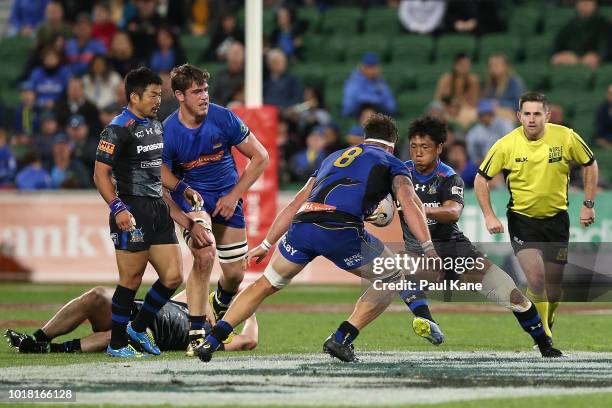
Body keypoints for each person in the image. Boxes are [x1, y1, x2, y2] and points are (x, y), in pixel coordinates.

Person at [196, 113, 437, 363]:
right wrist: (428, 247)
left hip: (303, 225)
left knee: (265, 284)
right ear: (393, 143)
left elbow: (296, 202)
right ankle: (343, 337)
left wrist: (267, 243)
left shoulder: (332, 158)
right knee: (392, 276)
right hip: (339, 228)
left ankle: (212, 340)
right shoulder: (392, 162)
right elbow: (409, 203)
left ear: (365, 139)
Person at [398, 116, 563, 357]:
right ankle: (426, 322)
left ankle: (545, 346)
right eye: (413, 146)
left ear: (439, 148)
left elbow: (453, 212)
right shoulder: (400, 175)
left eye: (425, 147)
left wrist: (419, 209)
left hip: (453, 250)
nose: (418, 153)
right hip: (419, 252)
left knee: (514, 296)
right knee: (394, 270)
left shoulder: (448, 176)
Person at [93, 67, 212, 358]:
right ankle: (117, 343)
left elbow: (157, 169)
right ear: (134, 96)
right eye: (153, 95)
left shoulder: (155, 125)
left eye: (160, 94)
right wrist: (117, 207)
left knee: (172, 276)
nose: (159, 100)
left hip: (158, 207)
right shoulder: (117, 128)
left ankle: (138, 327)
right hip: (132, 208)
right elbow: (100, 174)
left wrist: (181, 186)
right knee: (131, 280)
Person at [475, 92, 598, 345]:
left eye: (537, 114)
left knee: (554, 287)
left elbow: (591, 163)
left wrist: (588, 205)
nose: (531, 119)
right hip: (522, 221)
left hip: (557, 220)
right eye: (527, 114)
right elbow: (481, 179)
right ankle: (544, 337)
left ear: (547, 115)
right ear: (519, 116)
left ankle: (548, 319)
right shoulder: (505, 144)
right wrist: (489, 215)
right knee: (536, 279)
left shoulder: (566, 137)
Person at [161, 64, 269, 356]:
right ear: (180, 95)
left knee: (234, 275)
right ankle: (197, 331)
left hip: (227, 200)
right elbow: (160, 176)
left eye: (206, 90)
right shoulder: (169, 132)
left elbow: (261, 157)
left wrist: (234, 195)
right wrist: (183, 198)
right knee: (204, 253)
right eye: (197, 92)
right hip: (194, 202)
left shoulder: (223, 118)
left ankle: (217, 307)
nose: (204, 96)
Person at [5, 287, 258, 354]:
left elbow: (250, 341)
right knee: (96, 295)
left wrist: (250, 311)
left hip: (146, 333)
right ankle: (38, 338)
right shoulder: (194, 301)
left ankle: (53, 348)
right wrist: (212, 305)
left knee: (118, 335)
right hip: (136, 309)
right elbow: (196, 283)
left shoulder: (217, 338)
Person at [551, 0, 610, 70]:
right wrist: (563, 56)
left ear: (595, 4)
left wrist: (598, 57)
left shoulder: (605, 25)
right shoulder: (569, 25)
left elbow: (605, 48)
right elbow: (556, 48)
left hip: (596, 64)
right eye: (581, 3)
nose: (584, 6)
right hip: (571, 61)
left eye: (588, 3)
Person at [342, 53, 396, 118]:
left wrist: (378, 103)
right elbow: (350, 105)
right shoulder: (355, 80)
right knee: (368, 113)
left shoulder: (381, 82)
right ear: (363, 68)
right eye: (371, 67)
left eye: (376, 67)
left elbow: (391, 106)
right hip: (355, 115)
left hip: (378, 113)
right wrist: (376, 100)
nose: (374, 70)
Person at [434, 53, 479, 131]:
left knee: (472, 114)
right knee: (434, 108)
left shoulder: (473, 80)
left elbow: (473, 103)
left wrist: (458, 105)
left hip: (464, 109)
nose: (465, 67)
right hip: (446, 108)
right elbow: (438, 99)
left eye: (467, 64)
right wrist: (449, 107)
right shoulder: (445, 79)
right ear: (455, 65)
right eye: (462, 64)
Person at [465, 99, 514, 165]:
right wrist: (477, 160)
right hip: (483, 164)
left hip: (504, 161)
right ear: (479, 116)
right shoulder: (475, 131)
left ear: (492, 114)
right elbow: (471, 149)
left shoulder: (504, 125)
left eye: (488, 114)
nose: (485, 117)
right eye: (483, 115)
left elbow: (511, 143)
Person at [482, 53, 524, 122]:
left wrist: (499, 104)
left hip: (510, 113)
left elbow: (519, 104)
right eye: (490, 66)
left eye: (496, 65)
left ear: (505, 67)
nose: (492, 68)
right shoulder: (489, 83)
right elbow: (484, 100)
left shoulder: (514, 82)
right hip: (491, 112)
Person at [595, 83, 612, 149]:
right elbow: (600, 128)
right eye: (610, 94)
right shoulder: (602, 109)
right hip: (606, 138)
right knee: (600, 141)